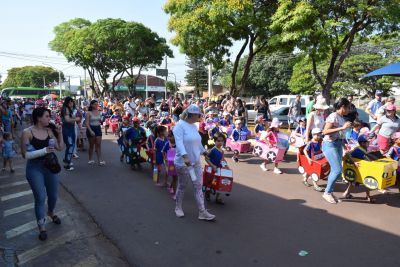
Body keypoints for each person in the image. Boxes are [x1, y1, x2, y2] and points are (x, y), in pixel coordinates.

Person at [21, 107, 64, 241]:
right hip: (35, 168)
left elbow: (60, 148)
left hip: (50, 167)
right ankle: (42, 226)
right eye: (47, 116)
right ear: (39, 118)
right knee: (40, 197)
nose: (49, 118)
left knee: (53, 195)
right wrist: (44, 150)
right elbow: (25, 155)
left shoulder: (49, 131)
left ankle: (50, 212)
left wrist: (60, 133)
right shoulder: (27, 132)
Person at [173, 104, 215, 220]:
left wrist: (204, 152)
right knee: (182, 186)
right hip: (184, 164)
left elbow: (198, 143)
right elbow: (179, 144)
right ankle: (178, 207)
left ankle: (202, 212)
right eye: (198, 115)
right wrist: (186, 159)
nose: (200, 117)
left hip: (195, 163)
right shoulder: (179, 126)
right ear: (191, 115)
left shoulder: (193, 126)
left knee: (198, 186)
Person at [322, 98, 352, 204]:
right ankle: (327, 193)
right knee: (337, 170)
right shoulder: (333, 116)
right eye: (348, 107)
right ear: (342, 107)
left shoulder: (341, 118)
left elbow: (340, 134)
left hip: (338, 144)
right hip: (330, 145)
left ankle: (329, 191)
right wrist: (342, 127)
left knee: (336, 171)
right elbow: (325, 131)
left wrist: (344, 145)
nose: (349, 109)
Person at [342, 135, 376, 203]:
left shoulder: (360, 148)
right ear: (363, 143)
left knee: (352, 183)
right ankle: (368, 196)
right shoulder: (359, 150)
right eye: (367, 142)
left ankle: (346, 193)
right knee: (367, 183)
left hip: (357, 168)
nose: (368, 143)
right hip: (358, 168)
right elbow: (364, 159)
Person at [204, 133, 227, 204]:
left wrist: (226, 166)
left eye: (222, 141)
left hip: (219, 169)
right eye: (218, 141)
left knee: (219, 183)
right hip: (212, 170)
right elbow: (206, 158)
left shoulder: (222, 150)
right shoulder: (212, 150)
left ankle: (218, 198)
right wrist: (212, 166)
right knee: (211, 183)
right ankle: (207, 193)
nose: (220, 142)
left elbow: (222, 159)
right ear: (214, 141)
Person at [86, 100, 105, 166]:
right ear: (91, 105)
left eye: (97, 104)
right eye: (95, 104)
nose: (96, 105)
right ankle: (90, 159)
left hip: (98, 128)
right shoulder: (88, 112)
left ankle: (100, 160)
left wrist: (102, 120)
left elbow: (100, 120)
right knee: (91, 145)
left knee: (98, 145)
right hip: (91, 128)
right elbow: (87, 123)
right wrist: (90, 131)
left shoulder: (99, 112)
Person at [61, 97, 78, 171]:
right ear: (67, 102)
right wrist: (76, 119)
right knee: (70, 145)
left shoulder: (70, 109)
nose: (72, 103)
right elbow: (67, 120)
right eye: (70, 102)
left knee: (71, 145)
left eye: (72, 102)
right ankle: (67, 164)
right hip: (67, 129)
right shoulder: (65, 109)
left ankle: (67, 160)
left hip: (71, 128)